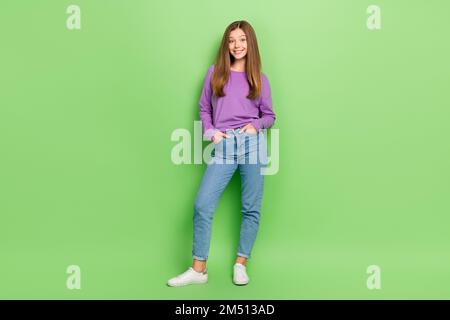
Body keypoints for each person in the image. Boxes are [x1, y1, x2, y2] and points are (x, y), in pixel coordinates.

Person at [167, 20, 276, 287]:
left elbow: (270, 115)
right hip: (225, 145)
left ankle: (241, 263)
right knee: (203, 204)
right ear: (226, 45)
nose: (237, 45)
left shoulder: (260, 78)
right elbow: (204, 108)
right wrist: (212, 132)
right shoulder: (215, 73)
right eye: (232, 40)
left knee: (251, 207)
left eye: (242, 40)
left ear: (250, 44)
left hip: (253, 144)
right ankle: (198, 270)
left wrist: (256, 126)